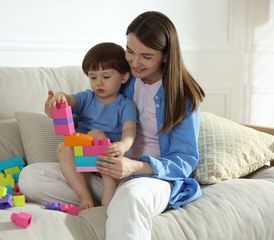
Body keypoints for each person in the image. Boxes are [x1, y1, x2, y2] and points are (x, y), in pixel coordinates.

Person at [19, 11, 205, 239]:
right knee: (31, 177)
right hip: (108, 171)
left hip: (149, 179)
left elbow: (184, 161)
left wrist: (134, 167)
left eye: (146, 56)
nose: (135, 62)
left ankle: (119, 203)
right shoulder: (124, 80)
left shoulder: (183, 97)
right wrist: (58, 111)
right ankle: (106, 200)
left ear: (166, 56)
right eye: (130, 51)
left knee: (132, 196)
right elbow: (90, 113)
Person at [44, 42, 137, 209]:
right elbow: (69, 100)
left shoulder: (125, 104)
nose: (98, 83)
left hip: (107, 160)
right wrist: (59, 98)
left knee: (96, 134)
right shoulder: (87, 98)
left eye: (106, 77)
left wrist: (122, 146)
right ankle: (84, 196)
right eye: (93, 77)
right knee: (62, 147)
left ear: (123, 77)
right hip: (82, 159)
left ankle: (109, 186)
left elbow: (130, 130)